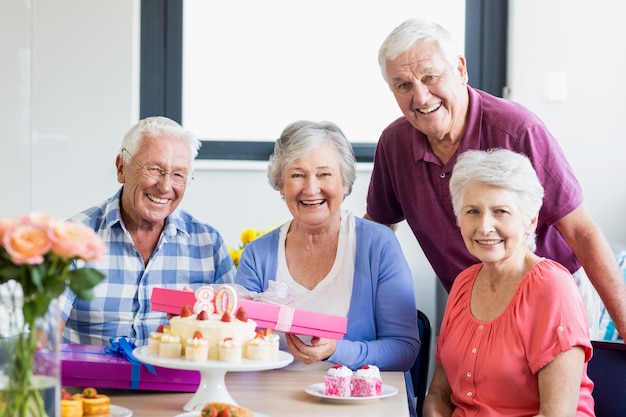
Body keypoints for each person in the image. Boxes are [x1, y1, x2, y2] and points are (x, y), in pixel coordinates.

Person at [365, 17, 626, 340]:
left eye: (430, 77)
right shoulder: (394, 144)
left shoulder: (517, 130)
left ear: (460, 69)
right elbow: (376, 231)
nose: (420, 97)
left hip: (552, 295)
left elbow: (583, 233)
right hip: (474, 300)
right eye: (403, 85)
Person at [235, 120, 420, 416]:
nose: (311, 188)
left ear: (345, 182)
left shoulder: (378, 245)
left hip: (359, 407)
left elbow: (404, 350)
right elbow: (240, 345)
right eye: (297, 175)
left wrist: (337, 351)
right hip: (270, 405)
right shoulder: (257, 254)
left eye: (324, 174)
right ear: (280, 185)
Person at [423, 149, 594, 416]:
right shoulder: (462, 284)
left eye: (500, 211)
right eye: (473, 212)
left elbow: (556, 414)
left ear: (531, 221)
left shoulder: (553, 288)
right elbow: (439, 394)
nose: (484, 227)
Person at [59, 116, 236, 346]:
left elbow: (231, 338)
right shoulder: (72, 238)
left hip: (178, 381)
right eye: (153, 169)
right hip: (90, 381)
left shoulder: (208, 244)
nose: (165, 187)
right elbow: (44, 336)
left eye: (178, 175)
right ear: (121, 168)